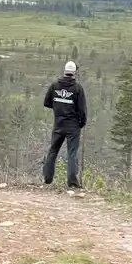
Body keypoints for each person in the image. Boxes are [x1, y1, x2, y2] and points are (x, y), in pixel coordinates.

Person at [42, 60, 87, 190]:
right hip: (73, 126)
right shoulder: (78, 88)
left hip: (58, 124)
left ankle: (47, 177)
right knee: (72, 153)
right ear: (74, 73)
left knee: (53, 150)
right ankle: (72, 182)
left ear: (65, 71)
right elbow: (82, 110)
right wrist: (81, 123)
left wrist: (59, 107)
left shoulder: (54, 86)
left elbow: (47, 103)